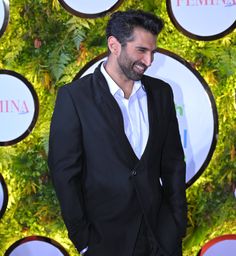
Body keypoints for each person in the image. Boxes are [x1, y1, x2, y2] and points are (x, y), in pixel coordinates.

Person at [48, 9, 187, 256]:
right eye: (141, 51)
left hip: (160, 235)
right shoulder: (75, 97)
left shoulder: (161, 93)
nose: (149, 61)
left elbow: (173, 162)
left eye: (152, 52)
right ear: (114, 45)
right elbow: (65, 174)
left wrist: (176, 222)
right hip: (105, 240)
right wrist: (84, 240)